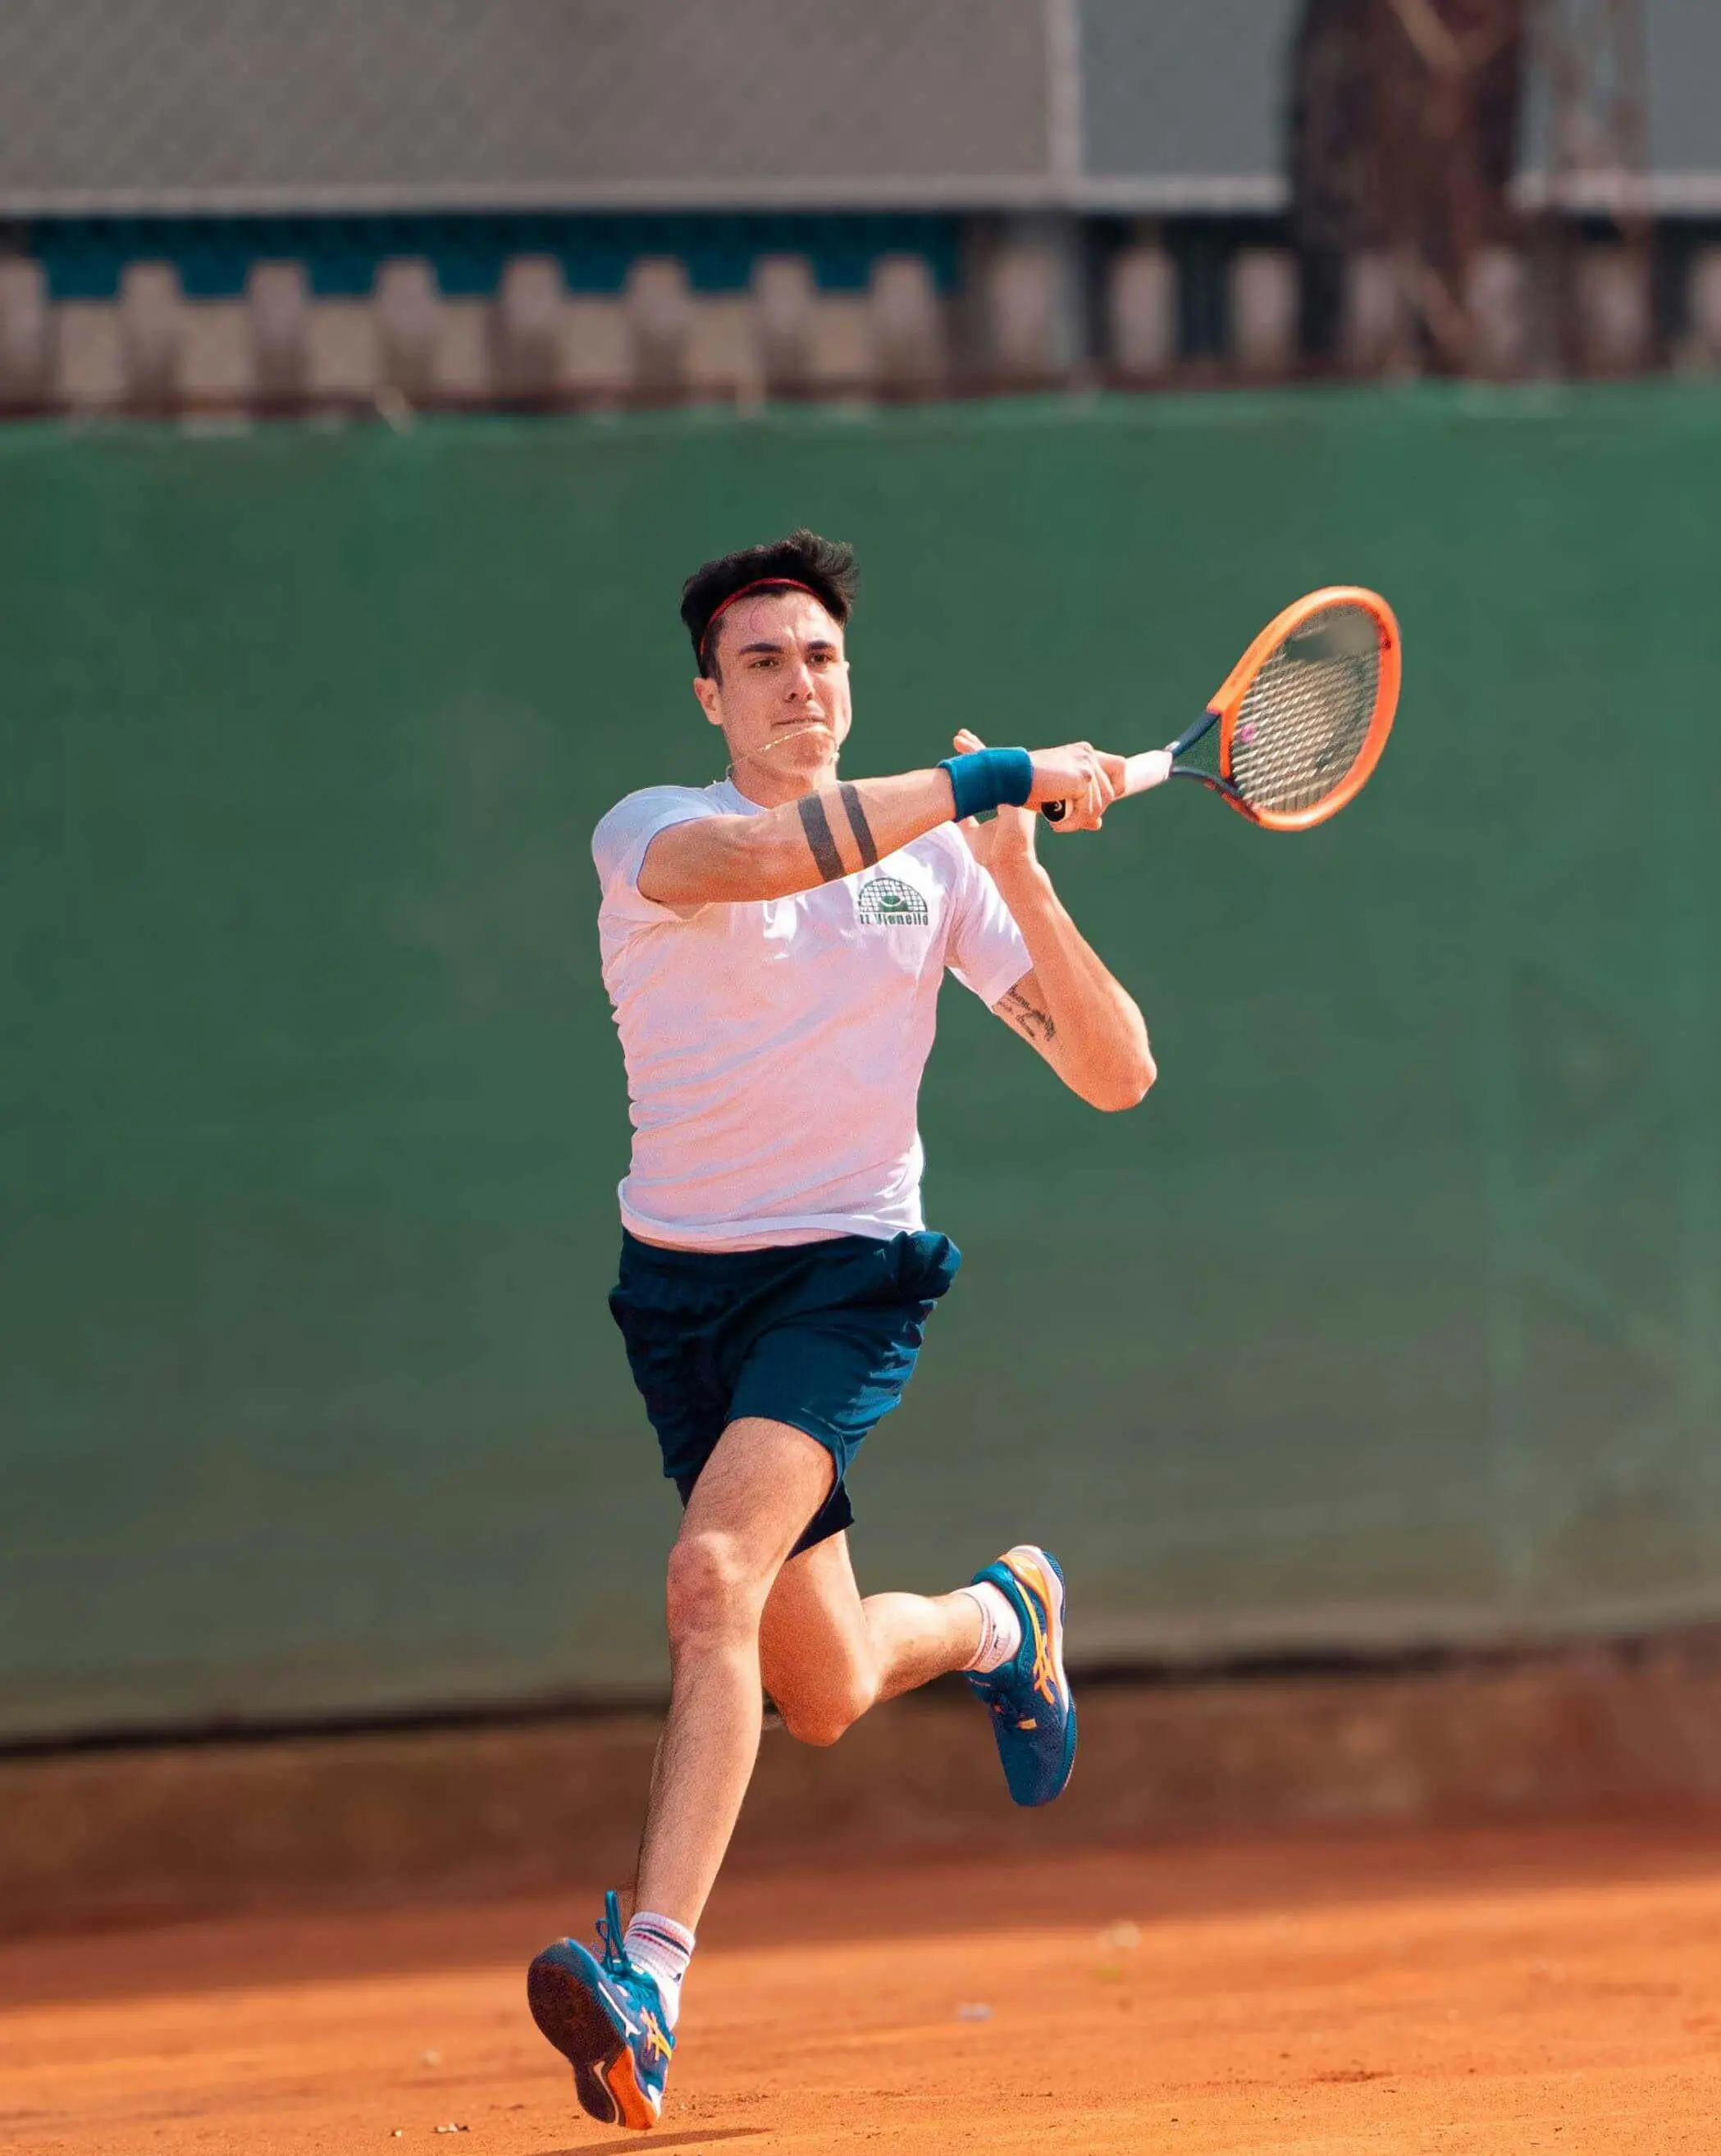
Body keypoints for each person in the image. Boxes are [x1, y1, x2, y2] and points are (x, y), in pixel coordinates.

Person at [525, 531, 1155, 2131]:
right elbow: (768, 863)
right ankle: (1002, 1624)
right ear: (709, 698)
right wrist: (986, 780)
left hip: (847, 1276)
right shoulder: (651, 832)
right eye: (762, 662)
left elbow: (1116, 1074)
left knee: (709, 1578)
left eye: (820, 657)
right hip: (681, 1295)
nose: (798, 682)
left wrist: (1017, 869)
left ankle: (649, 1983)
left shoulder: (937, 866)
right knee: (819, 1687)